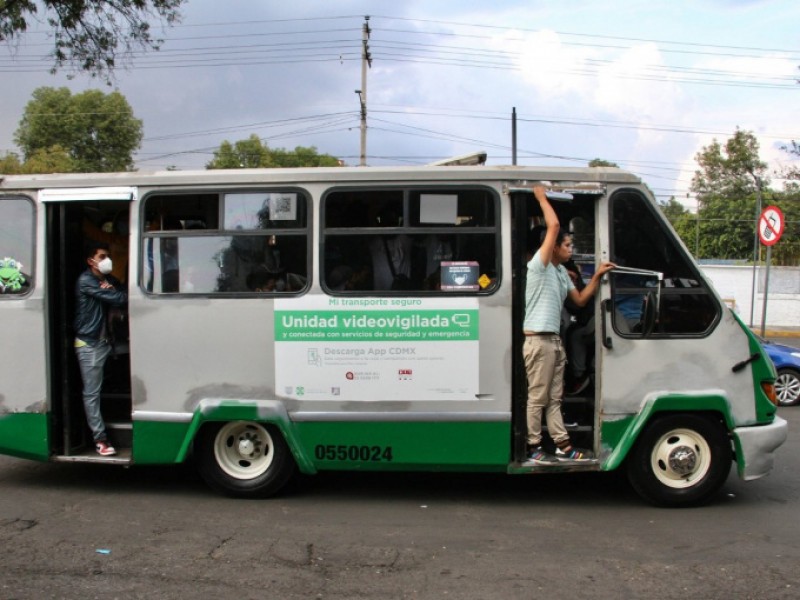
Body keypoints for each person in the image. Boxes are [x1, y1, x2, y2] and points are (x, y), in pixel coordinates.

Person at [523, 186, 615, 464]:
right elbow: (552, 224)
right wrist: (540, 196)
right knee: (538, 397)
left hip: (553, 341)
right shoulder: (539, 265)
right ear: (553, 247)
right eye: (567, 245)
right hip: (538, 340)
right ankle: (533, 446)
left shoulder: (561, 272)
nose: (570, 249)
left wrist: (597, 275)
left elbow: (580, 300)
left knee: (554, 398)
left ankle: (562, 444)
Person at [74, 241, 128, 456]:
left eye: (108, 256)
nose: (107, 261)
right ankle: (100, 439)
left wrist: (113, 287)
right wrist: (113, 291)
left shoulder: (107, 279)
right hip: (91, 343)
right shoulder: (86, 281)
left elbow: (123, 289)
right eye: (103, 257)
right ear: (91, 261)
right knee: (92, 393)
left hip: (109, 342)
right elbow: (121, 298)